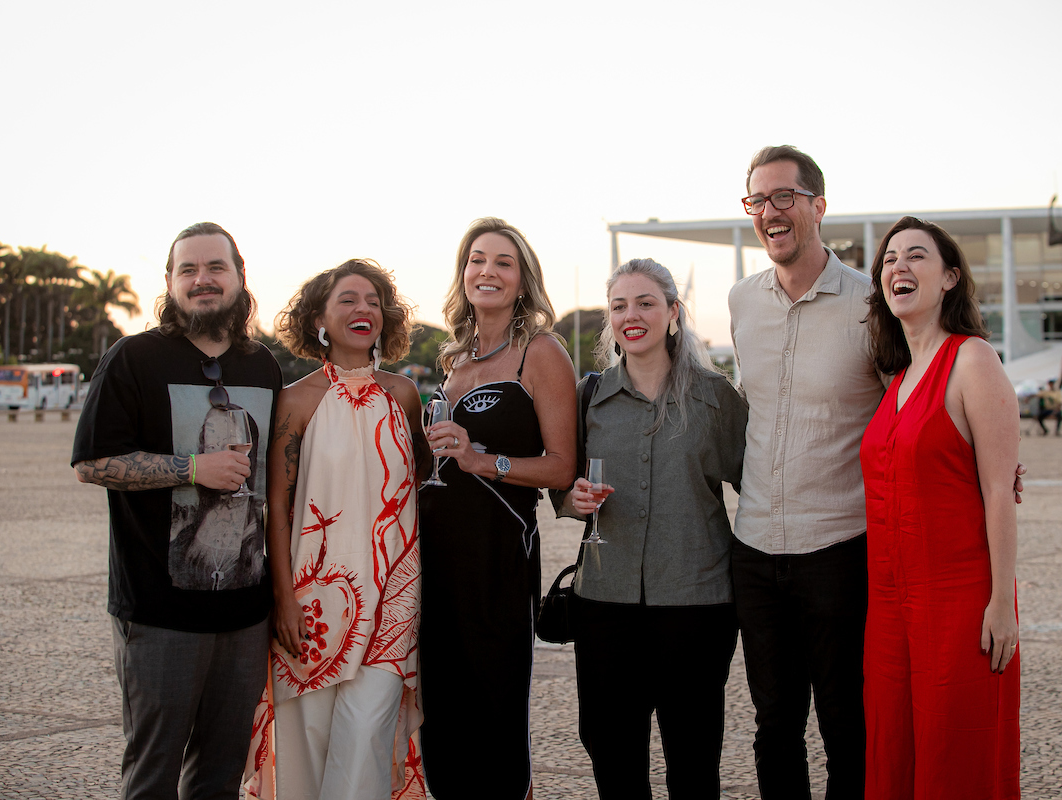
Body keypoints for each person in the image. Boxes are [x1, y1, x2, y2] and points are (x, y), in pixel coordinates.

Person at [728, 147, 1025, 799]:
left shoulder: (872, 303)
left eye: (785, 197)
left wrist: (997, 471)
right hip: (754, 549)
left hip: (839, 550)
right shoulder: (740, 302)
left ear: (817, 207)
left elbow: (932, 416)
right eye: (757, 200)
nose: (770, 211)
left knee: (849, 730)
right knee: (773, 727)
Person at [71, 222, 282, 800]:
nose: (202, 280)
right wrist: (192, 469)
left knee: (219, 777)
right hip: (159, 612)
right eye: (187, 269)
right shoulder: (133, 358)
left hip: (245, 614)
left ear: (239, 278)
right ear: (169, 282)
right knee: (152, 775)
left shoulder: (261, 365)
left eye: (216, 267)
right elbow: (91, 463)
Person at [556, 258, 748, 799]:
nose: (631, 315)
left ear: (673, 314)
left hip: (698, 605)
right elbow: (560, 486)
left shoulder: (715, 398)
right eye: (619, 306)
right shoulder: (589, 398)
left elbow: (758, 485)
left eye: (645, 303)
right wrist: (572, 498)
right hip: (604, 603)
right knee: (612, 754)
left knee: (693, 756)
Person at [243, 260, 431, 798]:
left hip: (393, 598)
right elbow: (276, 509)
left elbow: (418, 480)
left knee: (368, 735)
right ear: (319, 318)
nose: (363, 309)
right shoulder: (297, 401)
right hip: (313, 599)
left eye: (372, 300)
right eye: (347, 300)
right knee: (308, 740)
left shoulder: (404, 396)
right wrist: (283, 599)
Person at [861, 216, 1020, 799]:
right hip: (887, 610)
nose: (898, 266)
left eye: (917, 256)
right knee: (893, 754)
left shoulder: (972, 359)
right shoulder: (896, 378)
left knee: (955, 756)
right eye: (889, 259)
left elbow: (1000, 490)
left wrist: (1002, 603)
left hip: (957, 603)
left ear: (951, 277)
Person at [417, 217, 576, 799]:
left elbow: (561, 466)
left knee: (495, 712)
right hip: (436, 562)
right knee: (442, 714)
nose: (487, 271)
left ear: (522, 279)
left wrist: (484, 462)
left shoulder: (541, 352)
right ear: (463, 275)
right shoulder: (453, 359)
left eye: (503, 262)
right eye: (477, 259)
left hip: (498, 558)